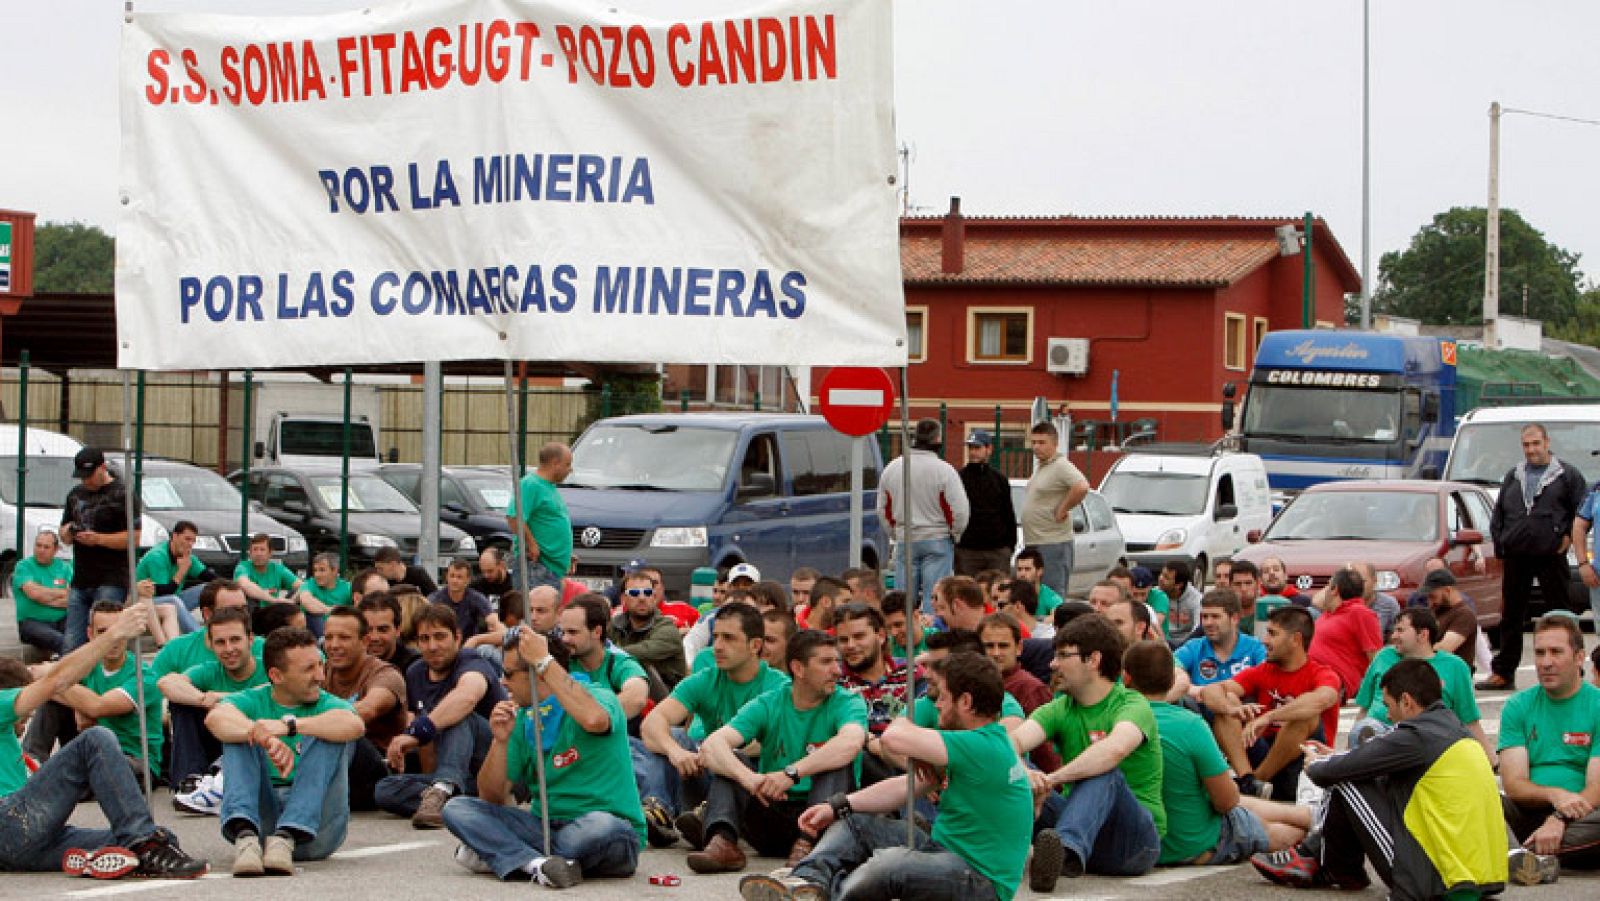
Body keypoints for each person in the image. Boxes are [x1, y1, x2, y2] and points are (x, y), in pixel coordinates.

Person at [739, 652, 1033, 901]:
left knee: (890, 864)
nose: (936, 705)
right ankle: (805, 882)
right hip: (946, 852)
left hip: (980, 880)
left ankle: (824, 894)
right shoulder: (972, 745)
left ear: (965, 702)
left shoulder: (983, 744)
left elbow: (892, 738)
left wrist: (908, 717)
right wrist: (837, 805)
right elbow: (903, 786)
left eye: (942, 697)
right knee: (854, 823)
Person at [1251, 659, 1509, 898]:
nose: (1387, 715)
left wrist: (1319, 762)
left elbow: (1326, 773)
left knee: (1343, 782)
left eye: (1388, 705)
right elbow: (1378, 768)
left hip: (1437, 881)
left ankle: (1329, 866)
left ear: (1407, 701)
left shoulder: (1417, 734)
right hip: (1481, 878)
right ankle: (1322, 860)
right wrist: (1340, 758)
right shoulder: (1454, 731)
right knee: (1359, 775)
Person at [0, 600, 208, 879]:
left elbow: (83, 701)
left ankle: (96, 858)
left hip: (18, 849)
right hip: (11, 823)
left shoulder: (138, 673)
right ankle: (141, 844)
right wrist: (115, 633)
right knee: (95, 740)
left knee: (163, 836)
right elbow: (57, 685)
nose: (26, 719)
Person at [444, 626, 645, 888]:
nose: (502, 682)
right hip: (545, 826)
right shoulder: (522, 716)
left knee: (598, 827)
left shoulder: (598, 696)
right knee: (457, 808)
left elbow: (594, 720)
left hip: (607, 829)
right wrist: (500, 741)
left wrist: (544, 660)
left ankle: (505, 853)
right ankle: (536, 864)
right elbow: (492, 796)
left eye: (508, 673)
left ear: (538, 673)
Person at [686, 630, 868, 873]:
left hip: (824, 822)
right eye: (826, 662)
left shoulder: (847, 701)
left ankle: (809, 846)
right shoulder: (770, 702)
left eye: (837, 662)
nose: (837, 670)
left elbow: (851, 743)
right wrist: (749, 779)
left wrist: (791, 773)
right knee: (734, 760)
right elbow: (712, 745)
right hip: (772, 813)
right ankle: (723, 842)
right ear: (798, 669)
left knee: (836, 761)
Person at [1122, 640, 1309, 867]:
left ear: (1126, 678)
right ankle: (1314, 827)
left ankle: (1308, 816)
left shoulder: (1109, 720)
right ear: (1172, 681)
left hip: (1129, 846)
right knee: (1261, 824)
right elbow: (1227, 801)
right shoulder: (1190, 725)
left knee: (1234, 802)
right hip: (1190, 844)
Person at [1012, 614, 1166, 889]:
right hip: (1079, 827)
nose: (1052, 664)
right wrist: (1025, 774)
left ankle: (1064, 852)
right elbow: (1010, 743)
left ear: (1093, 660)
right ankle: (955, 838)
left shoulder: (1131, 704)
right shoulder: (1060, 708)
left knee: (1103, 770)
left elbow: (1115, 749)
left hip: (1132, 844)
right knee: (1018, 773)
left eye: (1062, 656)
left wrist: (1053, 779)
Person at [207, 626, 363, 875]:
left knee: (328, 729)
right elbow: (216, 718)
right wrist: (262, 736)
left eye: (320, 665)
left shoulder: (327, 703)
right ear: (277, 676)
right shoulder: (254, 698)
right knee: (240, 732)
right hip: (262, 825)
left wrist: (290, 726)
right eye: (308, 669)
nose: (320, 676)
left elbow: (354, 724)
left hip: (314, 832)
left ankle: (288, 834)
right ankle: (245, 837)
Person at [636, 604, 787, 848]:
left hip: (751, 787)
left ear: (755, 645)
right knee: (672, 736)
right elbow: (652, 725)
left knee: (738, 755)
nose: (717, 646)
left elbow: (773, 745)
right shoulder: (706, 678)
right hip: (703, 771)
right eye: (715, 636)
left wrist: (715, 752)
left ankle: (708, 819)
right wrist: (677, 752)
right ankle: (659, 812)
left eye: (728, 638)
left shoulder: (779, 686)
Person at [375, 604, 509, 827]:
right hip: (461, 773)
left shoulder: (471, 660)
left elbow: (467, 697)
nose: (433, 646)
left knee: (459, 716)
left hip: (498, 763)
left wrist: (416, 733)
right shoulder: (415, 672)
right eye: (424, 639)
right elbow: (420, 733)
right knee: (385, 790)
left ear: (457, 637)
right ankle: (456, 799)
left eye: (440, 637)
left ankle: (444, 790)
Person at [1482, 423, 1587, 690]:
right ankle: (1503, 672)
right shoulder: (1513, 476)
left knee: (1561, 613)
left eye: (1536, 444)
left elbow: (1583, 512)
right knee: (1512, 616)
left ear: (1547, 442)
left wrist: (1566, 537)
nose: (1531, 450)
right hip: (1517, 554)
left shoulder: (1567, 475)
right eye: (1526, 445)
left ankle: (1574, 668)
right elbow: (1500, 513)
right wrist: (1501, 543)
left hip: (1551, 555)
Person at [1202, 606, 1340, 802]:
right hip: (1262, 753)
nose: (1264, 641)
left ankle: (1254, 782)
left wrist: (1268, 717)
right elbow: (1211, 691)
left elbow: (1322, 699)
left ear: (1296, 640)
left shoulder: (1322, 673)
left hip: (1304, 763)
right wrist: (1231, 708)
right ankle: (1248, 780)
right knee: (1228, 699)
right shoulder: (1262, 671)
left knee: (1304, 715)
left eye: (1272, 634)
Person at [1498, 614, 1600, 875]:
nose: (1545, 662)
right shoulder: (1518, 706)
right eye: (1540, 653)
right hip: (1528, 812)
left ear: (1579, 658)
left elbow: (1597, 787)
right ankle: (1536, 856)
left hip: (1583, 816)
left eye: (1556, 652)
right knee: (1477, 794)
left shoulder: (1597, 705)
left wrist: (1560, 818)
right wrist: (1554, 795)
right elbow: (1514, 783)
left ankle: (1518, 854)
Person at [1349, 607, 1494, 762]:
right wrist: (1348, 757)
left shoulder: (1454, 667)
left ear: (1423, 634)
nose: (1393, 636)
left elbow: (1469, 719)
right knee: (1367, 729)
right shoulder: (1384, 657)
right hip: (1378, 737)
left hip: (1426, 740)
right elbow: (1364, 710)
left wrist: (1492, 761)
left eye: (1400, 630)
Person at [48, 601, 165, 785]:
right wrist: (76, 704)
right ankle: (31, 759)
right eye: (104, 632)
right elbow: (38, 680)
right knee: (51, 699)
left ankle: (62, 778)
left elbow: (98, 707)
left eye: (118, 631)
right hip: (92, 752)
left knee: (55, 688)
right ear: (90, 634)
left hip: (135, 761)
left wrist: (62, 688)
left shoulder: (144, 676)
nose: (113, 639)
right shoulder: (88, 666)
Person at [159, 605, 267, 800]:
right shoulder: (209, 670)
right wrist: (203, 699)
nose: (228, 649)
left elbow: (278, 691)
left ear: (250, 639)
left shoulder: (269, 668)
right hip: (215, 743)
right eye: (220, 642)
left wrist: (224, 698)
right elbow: (167, 683)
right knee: (182, 703)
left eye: (235, 640)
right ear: (211, 644)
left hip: (259, 746)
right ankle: (190, 781)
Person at [878, 418, 970, 612]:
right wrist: (955, 533)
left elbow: (883, 509)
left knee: (903, 600)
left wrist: (895, 533)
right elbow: (959, 510)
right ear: (938, 439)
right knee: (935, 597)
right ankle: (931, 633)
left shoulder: (893, 469)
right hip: (937, 537)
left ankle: (903, 630)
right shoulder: (944, 471)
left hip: (906, 538)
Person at [321, 606, 407, 811]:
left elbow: (367, 709)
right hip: (334, 768)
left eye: (343, 638)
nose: (334, 645)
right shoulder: (320, 671)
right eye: (329, 637)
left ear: (365, 641)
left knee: (346, 729)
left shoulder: (385, 674)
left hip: (374, 772)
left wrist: (306, 723)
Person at [59, 447, 139, 653]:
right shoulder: (75, 495)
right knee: (71, 641)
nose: (86, 481)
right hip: (82, 578)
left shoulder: (123, 494)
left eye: (90, 475)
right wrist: (68, 533)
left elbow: (134, 538)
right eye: (82, 477)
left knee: (106, 638)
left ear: (102, 468)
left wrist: (98, 539)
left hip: (111, 577)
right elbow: (63, 531)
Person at [835, 603, 913, 783]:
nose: (851, 645)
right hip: (861, 768)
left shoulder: (912, 674)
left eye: (859, 636)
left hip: (909, 759)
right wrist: (872, 742)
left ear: (881, 636)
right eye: (843, 640)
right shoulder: (834, 680)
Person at [980, 612, 1061, 772]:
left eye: (1003, 646)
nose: (996, 653)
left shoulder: (1030, 688)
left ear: (1018, 648)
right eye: (989, 646)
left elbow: (1047, 754)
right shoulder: (971, 684)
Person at [1020, 421, 1088, 599]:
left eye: (1042, 442)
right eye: (1033, 442)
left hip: (1053, 541)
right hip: (1035, 540)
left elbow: (1081, 487)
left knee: (1052, 594)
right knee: (1035, 594)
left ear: (1055, 444)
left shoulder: (1060, 465)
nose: (1036, 447)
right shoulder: (1043, 466)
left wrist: (1063, 509)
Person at [560, 593, 650, 721]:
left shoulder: (619, 662)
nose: (565, 639)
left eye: (572, 632)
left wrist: (595, 718)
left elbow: (636, 698)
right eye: (562, 632)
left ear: (597, 632)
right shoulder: (561, 659)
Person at [506, 441, 574, 594]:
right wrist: (532, 544)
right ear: (555, 463)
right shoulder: (530, 484)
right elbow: (514, 518)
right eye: (567, 464)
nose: (570, 469)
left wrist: (566, 553)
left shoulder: (549, 487)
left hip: (550, 569)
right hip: (536, 568)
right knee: (535, 613)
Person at [1307, 567, 1382, 702]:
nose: (1324, 591)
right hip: (1308, 675)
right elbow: (1316, 601)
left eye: (1327, 586)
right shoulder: (1329, 613)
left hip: (1329, 681)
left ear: (1334, 589)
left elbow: (1376, 658)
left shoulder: (1360, 613)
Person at [609, 570, 687, 688]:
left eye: (647, 592)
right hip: (625, 692)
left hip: (666, 699)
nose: (642, 598)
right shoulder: (614, 625)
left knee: (639, 665)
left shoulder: (667, 628)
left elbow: (644, 652)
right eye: (634, 593)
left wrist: (604, 653)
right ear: (623, 599)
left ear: (654, 598)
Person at [955, 430, 1016, 577]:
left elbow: (1008, 513)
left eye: (977, 448)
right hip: (967, 550)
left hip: (997, 550)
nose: (973, 452)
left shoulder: (999, 479)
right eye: (971, 448)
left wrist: (1010, 545)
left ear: (989, 449)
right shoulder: (959, 478)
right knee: (966, 594)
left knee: (998, 592)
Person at [134, 520, 208, 634]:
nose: (190, 544)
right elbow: (165, 592)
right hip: (147, 603)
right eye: (187, 539)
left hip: (174, 599)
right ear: (175, 536)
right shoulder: (157, 556)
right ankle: (198, 636)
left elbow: (208, 576)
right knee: (173, 600)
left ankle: (219, 627)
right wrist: (182, 571)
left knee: (210, 588)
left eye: (193, 541)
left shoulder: (186, 555)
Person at [13, 529, 73, 656]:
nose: (41, 550)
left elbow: (72, 598)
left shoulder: (65, 568)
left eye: (46, 547)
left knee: (85, 635)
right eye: (38, 545)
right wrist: (61, 593)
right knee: (63, 642)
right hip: (31, 623)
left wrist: (44, 597)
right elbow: (34, 593)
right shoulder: (23, 566)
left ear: (56, 550)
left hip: (62, 620)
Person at [1421, 569, 1478, 672]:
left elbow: (1445, 648)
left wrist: (1414, 652)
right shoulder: (1436, 611)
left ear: (1447, 590)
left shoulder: (1464, 615)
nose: (1430, 602)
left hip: (1451, 675)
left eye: (1433, 597)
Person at [427, 558, 496, 640]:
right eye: (452, 576)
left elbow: (494, 622)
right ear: (446, 577)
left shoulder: (476, 598)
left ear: (468, 580)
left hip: (469, 646)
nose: (454, 580)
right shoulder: (434, 599)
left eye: (459, 577)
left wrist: (477, 640)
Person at [358, 590, 421, 676]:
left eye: (382, 630)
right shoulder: (351, 661)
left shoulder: (415, 666)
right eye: (368, 630)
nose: (374, 637)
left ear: (398, 630)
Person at [233, 533, 303, 607]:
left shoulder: (278, 569)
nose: (258, 554)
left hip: (272, 611)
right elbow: (245, 584)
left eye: (262, 550)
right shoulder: (243, 567)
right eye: (255, 549)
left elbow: (304, 586)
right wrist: (273, 600)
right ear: (250, 553)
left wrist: (292, 601)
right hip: (252, 612)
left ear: (270, 553)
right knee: (250, 598)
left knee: (302, 594)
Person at [294, 552, 351, 638]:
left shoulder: (347, 588)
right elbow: (306, 601)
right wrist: (330, 610)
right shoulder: (310, 583)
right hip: (311, 630)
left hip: (339, 628)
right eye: (315, 570)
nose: (317, 574)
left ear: (334, 570)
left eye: (322, 570)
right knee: (313, 614)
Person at [1350, 560, 1402, 640]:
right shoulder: (1339, 603)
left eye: (1362, 582)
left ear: (1374, 581)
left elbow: (1397, 636)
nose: (1357, 586)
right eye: (1353, 582)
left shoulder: (1388, 604)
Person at [1014, 545, 1064, 619]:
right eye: (1019, 569)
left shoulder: (1052, 599)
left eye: (1027, 569)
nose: (1022, 574)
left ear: (1039, 571)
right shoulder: (1009, 594)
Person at [1160, 559, 1203, 644]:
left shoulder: (1196, 599)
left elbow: (1198, 628)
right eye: (1161, 574)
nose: (1161, 579)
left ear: (1178, 585)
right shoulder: (1157, 594)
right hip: (1162, 641)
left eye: (1166, 577)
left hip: (1187, 643)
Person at [373, 545, 438, 595]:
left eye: (380, 568)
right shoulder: (383, 582)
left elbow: (434, 598)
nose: (378, 572)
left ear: (393, 564)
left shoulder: (418, 575)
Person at [883, 592, 927, 663]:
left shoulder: (939, 642)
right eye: (888, 627)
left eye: (898, 625)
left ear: (915, 616)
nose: (893, 633)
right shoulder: (886, 648)